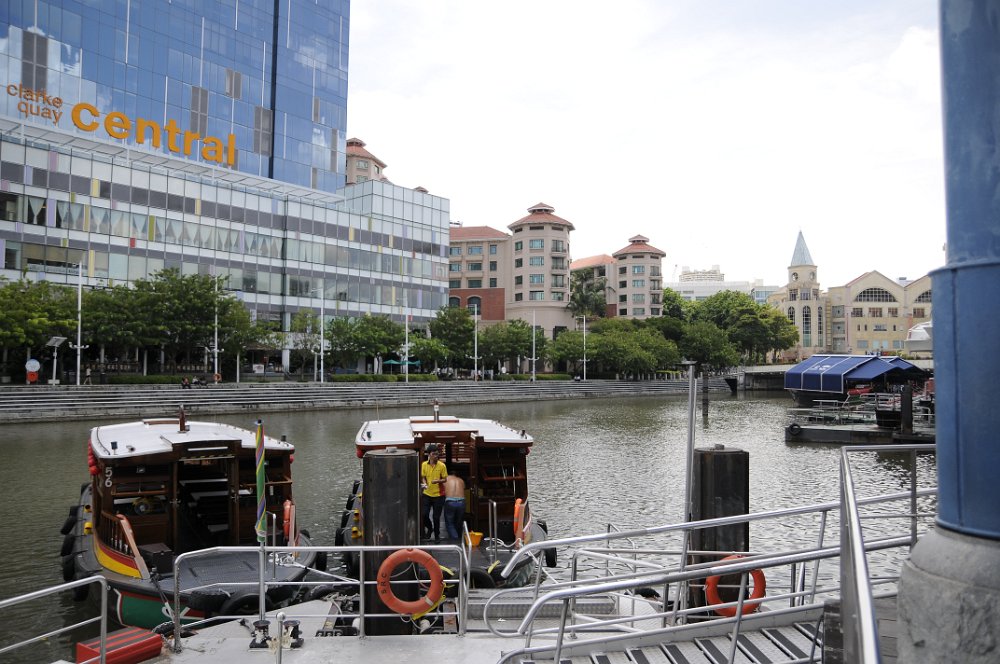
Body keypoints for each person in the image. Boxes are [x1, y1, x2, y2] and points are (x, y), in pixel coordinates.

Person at [420, 447, 447, 541]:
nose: (436, 456)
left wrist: (438, 481)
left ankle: (437, 536)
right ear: (429, 455)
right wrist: (424, 483)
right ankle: (430, 528)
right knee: (424, 514)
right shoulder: (424, 464)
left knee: (436, 517)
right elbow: (423, 477)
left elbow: (445, 479)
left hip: (439, 495)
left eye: (437, 454)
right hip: (427, 493)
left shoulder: (442, 465)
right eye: (434, 454)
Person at [443, 470, 466, 540]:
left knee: (450, 523)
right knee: (458, 522)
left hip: (450, 502)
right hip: (461, 502)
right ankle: (458, 537)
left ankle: (456, 539)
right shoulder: (461, 480)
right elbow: (464, 488)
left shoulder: (445, 479)